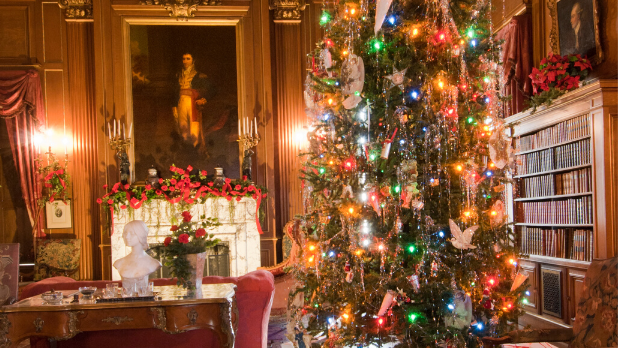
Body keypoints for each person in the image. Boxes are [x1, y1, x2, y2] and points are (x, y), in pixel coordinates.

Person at [172, 53, 215, 147]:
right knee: (183, 127)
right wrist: (174, 105)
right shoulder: (178, 75)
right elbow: (175, 91)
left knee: (194, 127)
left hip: (192, 102)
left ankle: (195, 149)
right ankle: (185, 149)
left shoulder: (199, 75)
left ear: (193, 61)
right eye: (184, 59)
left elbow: (212, 89)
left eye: (188, 59)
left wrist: (203, 99)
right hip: (181, 102)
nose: (185, 61)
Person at [113, 220, 161, 293]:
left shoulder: (153, 263)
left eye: (131, 233)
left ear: (141, 235)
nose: (127, 236)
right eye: (125, 233)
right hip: (125, 302)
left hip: (144, 302)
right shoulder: (119, 263)